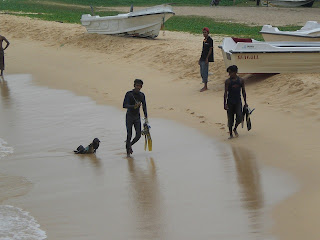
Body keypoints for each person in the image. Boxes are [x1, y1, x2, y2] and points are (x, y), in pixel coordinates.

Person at [123, 79, 148, 156]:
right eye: (137, 85)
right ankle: (128, 153)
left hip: (137, 117)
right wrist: (133, 106)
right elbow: (124, 105)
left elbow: (144, 106)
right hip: (129, 116)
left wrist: (146, 118)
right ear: (134, 85)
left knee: (138, 135)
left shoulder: (142, 95)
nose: (138, 87)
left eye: (140, 86)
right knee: (129, 135)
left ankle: (129, 145)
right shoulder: (129, 94)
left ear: (141, 87)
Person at [223, 65, 247, 139]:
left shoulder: (241, 80)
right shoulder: (228, 81)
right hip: (230, 102)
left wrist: (245, 102)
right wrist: (225, 104)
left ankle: (235, 128)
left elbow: (243, 91)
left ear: (235, 72)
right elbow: (225, 93)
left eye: (231, 73)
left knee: (240, 117)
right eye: (229, 73)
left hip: (238, 101)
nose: (229, 74)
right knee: (230, 119)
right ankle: (230, 134)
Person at [198, 27, 214, 92]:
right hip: (202, 57)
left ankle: (205, 86)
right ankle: (204, 84)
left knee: (205, 72)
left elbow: (210, 49)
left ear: (208, 33)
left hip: (206, 58)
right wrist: (200, 58)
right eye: (203, 32)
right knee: (201, 72)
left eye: (205, 32)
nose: (204, 34)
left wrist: (207, 58)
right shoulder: (204, 40)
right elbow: (203, 50)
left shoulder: (210, 40)